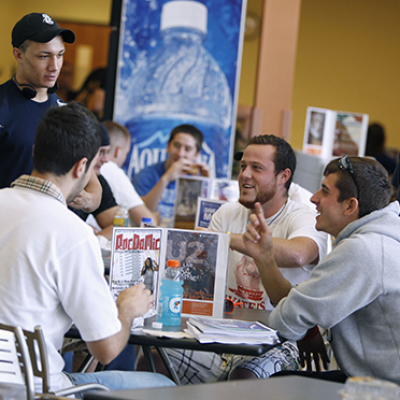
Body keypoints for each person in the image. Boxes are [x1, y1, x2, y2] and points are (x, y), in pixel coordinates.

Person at [0, 102, 174, 395]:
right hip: (38, 391)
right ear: (82, 167)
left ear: (34, 152)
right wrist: (126, 309)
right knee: (164, 387)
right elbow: (105, 350)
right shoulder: (72, 233)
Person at [137, 134, 328, 383]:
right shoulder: (226, 212)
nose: (245, 174)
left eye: (257, 168)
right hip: (221, 334)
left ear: (283, 176)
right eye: (243, 166)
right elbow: (200, 284)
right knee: (153, 360)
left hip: (280, 339)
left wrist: (227, 239)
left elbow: (298, 253)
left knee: (243, 377)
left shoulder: (302, 216)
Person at [243, 156, 400, 385]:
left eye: (325, 192)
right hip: (374, 381)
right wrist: (265, 256)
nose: (314, 198)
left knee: (267, 385)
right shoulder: (379, 241)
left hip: (384, 390)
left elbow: (288, 320)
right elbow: (300, 307)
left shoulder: (363, 250)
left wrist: (305, 327)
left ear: (350, 206)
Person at [0, 13, 102, 213]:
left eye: (60, 55)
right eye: (44, 56)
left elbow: (95, 188)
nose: (54, 66)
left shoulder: (66, 114)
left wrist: (88, 200)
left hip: (50, 227)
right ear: (18, 54)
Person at [133, 124, 210, 227]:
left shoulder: (196, 178)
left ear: (197, 154)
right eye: (176, 146)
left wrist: (206, 186)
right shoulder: (147, 175)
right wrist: (166, 179)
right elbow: (141, 213)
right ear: (168, 146)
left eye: (187, 149)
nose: (180, 153)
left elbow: (204, 221)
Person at [100, 120, 155, 226]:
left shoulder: (88, 167)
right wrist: (155, 218)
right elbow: (148, 223)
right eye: (126, 153)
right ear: (118, 151)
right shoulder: (112, 170)